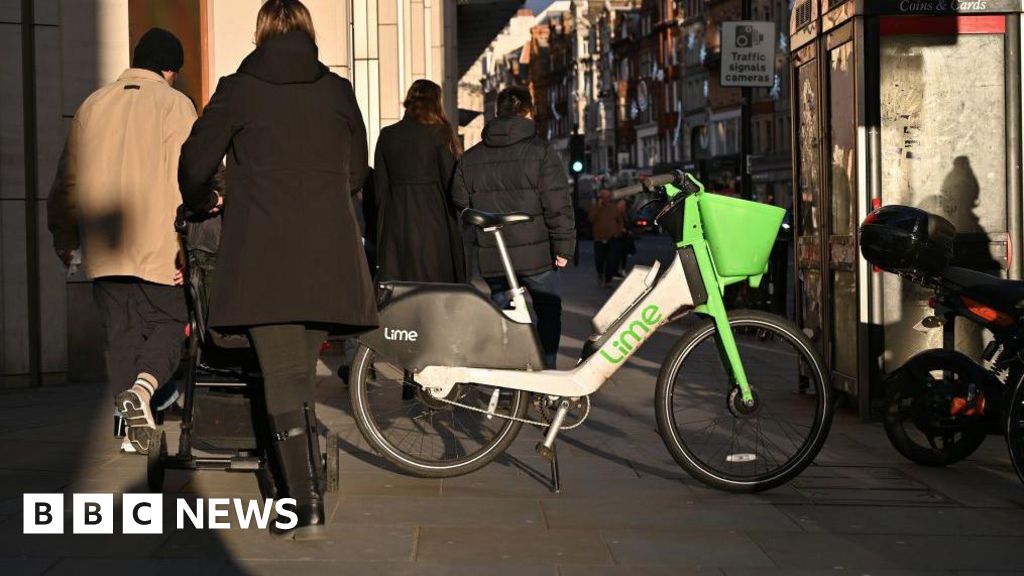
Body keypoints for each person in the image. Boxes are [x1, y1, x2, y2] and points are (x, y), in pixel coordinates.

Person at [178, 0, 377, 540]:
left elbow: (194, 165)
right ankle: (300, 484)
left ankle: (304, 504)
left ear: (260, 33)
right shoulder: (337, 90)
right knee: (297, 372)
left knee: (284, 373)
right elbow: (357, 170)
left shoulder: (238, 89)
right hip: (328, 254)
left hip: (263, 253)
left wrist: (206, 199)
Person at [46, 28, 196, 455]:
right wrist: (188, 244)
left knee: (121, 337)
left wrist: (65, 237)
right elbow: (188, 178)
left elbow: (67, 181)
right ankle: (144, 391)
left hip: (104, 248)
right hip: (159, 248)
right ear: (169, 70)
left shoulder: (92, 105)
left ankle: (132, 430)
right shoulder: (175, 105)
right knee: (169, 324)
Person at [452, 85, 575, 368]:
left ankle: (507, 378)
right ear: (528, 112)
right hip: (538, 257)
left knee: (503, 316)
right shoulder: (542, 152)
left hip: (494, 254)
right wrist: (564, 246)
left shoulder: (470, 158)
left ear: (497, 113)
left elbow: (460, 201)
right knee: (548, 311)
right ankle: (546, 372)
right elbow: (557, 203)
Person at [374, 79, 466, 283]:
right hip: (434, 217)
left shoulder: (387, 135)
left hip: (396, 219)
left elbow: (380, 186)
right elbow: (451, 180)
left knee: (402, 281)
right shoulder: (440, 133)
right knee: (435, 280)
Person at [589, 189, 627, 286]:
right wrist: (599, 208)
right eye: (603, 197)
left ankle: (608, 279)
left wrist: (618, 232)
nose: (606, 199)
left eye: (607, 197)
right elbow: (591, 219)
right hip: (599, 237)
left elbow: (620, 221)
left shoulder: (614, 208)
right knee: (599, 259)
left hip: (612, 237)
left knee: (611, 259)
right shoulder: (595, 207)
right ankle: (600, 275)